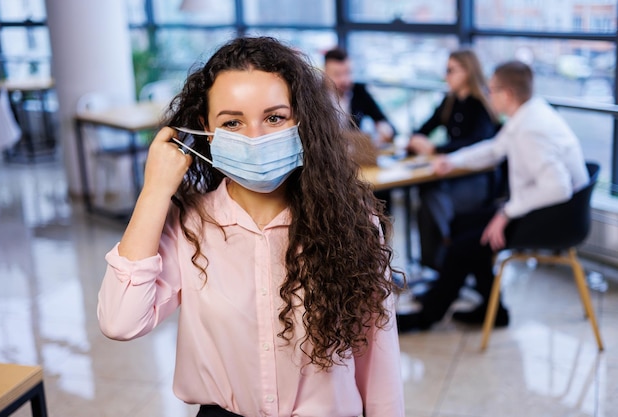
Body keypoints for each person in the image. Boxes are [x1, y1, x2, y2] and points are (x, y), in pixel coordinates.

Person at [97, 36, 405, 417]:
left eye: (275, 117)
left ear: (302, 120)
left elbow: (379, 359)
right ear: (205, 129)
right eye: (232, 122)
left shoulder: (352, 221)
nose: (255, 138)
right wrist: (155, 192)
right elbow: (120, 320)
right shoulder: (189, 224)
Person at [397, 60, 589, 332]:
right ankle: (493, 309)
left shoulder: (531, 129)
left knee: (463, 245)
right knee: (462, 224)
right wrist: (452, 160)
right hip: (545, 208)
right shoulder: (528, 114)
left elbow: (557, 188)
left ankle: (427, 316)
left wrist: (505, 213)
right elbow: (494, 149)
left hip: (554, 218)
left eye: (491, 90)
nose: (488, 95)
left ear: (507, 94)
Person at [407, 48, 502, 271]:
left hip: (477, 181)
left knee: (430, 198)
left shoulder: (481, 105)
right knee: (427, 195)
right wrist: (416, 140)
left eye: (451, 70)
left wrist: (436, 148)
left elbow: (477, 143)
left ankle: (448, 255)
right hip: (453, 175)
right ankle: (439, 263)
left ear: (468, 72)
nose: (446, 76)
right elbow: (424, 129)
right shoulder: (449, 102)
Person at [323, 47, 395, 145]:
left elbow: (382, 120)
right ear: (325, 73)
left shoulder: (359, 91)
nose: (345, 80)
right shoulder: (316, 95)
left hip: (355, 153)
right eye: (337, 75)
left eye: (348, 72)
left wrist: (384, 129)